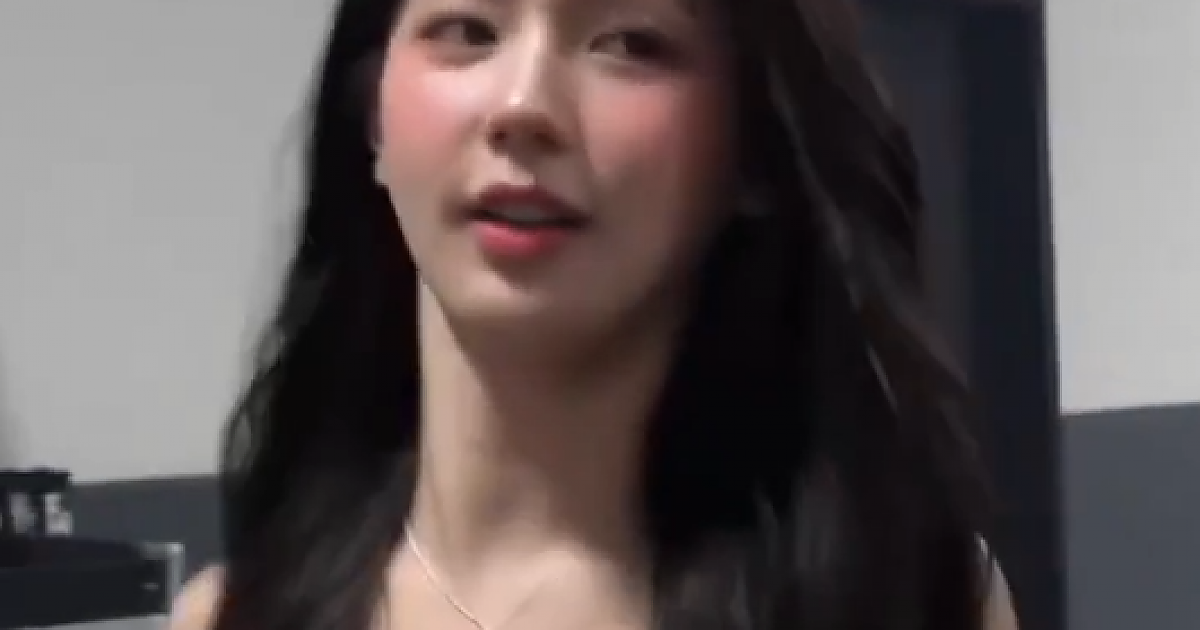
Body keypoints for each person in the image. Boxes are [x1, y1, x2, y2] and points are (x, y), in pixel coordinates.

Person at [171, 0, 1021, 628]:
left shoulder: (908, 599)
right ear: (373, 120)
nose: (523, 107)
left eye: (630, 43)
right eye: (467, 29)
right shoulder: (237, 617)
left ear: (752, 156)